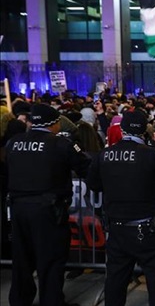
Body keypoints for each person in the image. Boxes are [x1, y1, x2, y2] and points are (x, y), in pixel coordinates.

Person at [86, 109, 155, 306]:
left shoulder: (104, 155)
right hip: (147, 229)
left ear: (121, 129)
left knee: (116, 278)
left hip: (117, 228)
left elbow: (93, 184)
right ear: (145, 131)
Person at [6, 103, 92, 306]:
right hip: (48, 210)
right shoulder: (61, 144)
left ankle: (19, 300)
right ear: (54, 124)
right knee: (51, 259)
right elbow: (85, 168)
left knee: (22, 259)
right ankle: (51, 301)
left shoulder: (14, 142)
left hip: (18, 209)